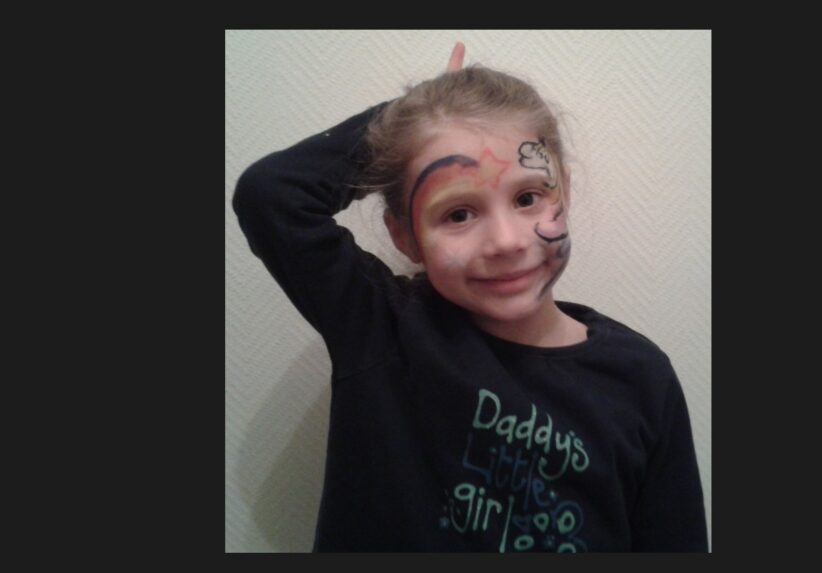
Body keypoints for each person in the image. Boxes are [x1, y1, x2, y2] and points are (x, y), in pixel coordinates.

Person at [232, 42, 707, 552]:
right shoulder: (384, 329)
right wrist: (412, 116)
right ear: (405, 236)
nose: (506, 241)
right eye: (458, 214)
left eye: (527, 198)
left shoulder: (641, 378)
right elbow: (271, 195)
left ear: (563, 193)